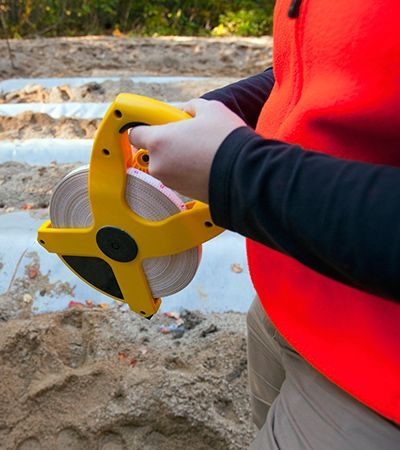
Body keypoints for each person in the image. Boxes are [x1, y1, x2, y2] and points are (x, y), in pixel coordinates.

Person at [130, 0, 400, 448]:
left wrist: (236, 172)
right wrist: (227, 106)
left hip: (378, 377)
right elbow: (331, 64)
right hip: (295, 298)